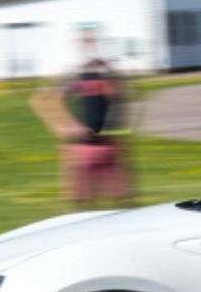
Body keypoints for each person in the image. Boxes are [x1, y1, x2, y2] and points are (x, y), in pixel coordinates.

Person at [30, 30, 135, 205]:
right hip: (83, 147)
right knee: (82, 200)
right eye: (86, 41)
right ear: (80, 46)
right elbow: (42, 100)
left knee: (121, 199)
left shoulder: (108, 74)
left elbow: (120, 102)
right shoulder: (77, 76)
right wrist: (65, 126)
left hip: (109, 145)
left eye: (92, 41)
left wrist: (117, 133)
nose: (89, 45)